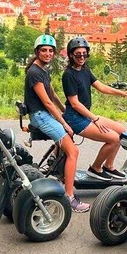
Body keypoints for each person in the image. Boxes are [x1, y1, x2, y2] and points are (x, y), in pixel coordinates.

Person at [24, 34, 89, 213]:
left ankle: (58, 169)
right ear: (37, 52)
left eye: (50, 51)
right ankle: (69, 197)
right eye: (44, 50)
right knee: (73, 151)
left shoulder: (43, 70)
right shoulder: (34, 73)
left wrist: (64, 111)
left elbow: (52, 95)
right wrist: (64, 122)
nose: (47, 53)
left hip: (44, 114)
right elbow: (46, 103)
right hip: (40, 115)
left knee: (67, 140)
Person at [61, 36, 127, 181]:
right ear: (71, 55)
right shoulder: (68, 75)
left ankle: (109, 166)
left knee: (122, 131)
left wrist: (123, 93)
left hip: (85, 115)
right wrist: (95, 118)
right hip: (75, 118)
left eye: (84, 54)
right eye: (78, 54)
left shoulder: (85, 70)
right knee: (114, 138)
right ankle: (95, 168)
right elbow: (75, 103)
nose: (82, 57)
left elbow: (100, 87)